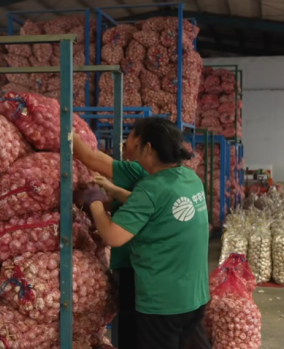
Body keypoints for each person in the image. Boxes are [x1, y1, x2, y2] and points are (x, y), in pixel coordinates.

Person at [79, 117, 211, 349]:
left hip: (162, 301)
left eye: (133, 138)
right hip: (194, 295)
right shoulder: (189, 178)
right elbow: (161, 207)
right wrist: (117, 192)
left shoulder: (151, 188)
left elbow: (113, 236)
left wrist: (95, 202)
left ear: (148, 148)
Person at [73, 127, 149, 349]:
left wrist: (63, 126)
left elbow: (89, 157)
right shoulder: (171, 180)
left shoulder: (136, 170)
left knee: (130, 326)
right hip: (144, 266)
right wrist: (111, 194)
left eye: (131, 136)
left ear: (145, 145)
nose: (126, 142)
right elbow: (135, 202)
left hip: (131, 261)